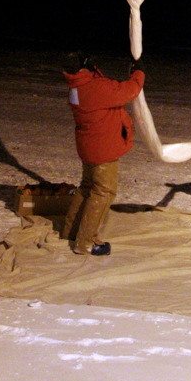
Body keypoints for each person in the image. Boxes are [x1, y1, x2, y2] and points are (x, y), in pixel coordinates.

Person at [61, 53, 145, 256]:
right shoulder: (93, 88)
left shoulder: (77, 87)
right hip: (102, 148)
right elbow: (128, 91)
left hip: (89, 145)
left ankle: (71, 232)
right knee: (103, 192)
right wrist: (139, 73)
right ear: (84, 68)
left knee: (87, 188)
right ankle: (85, 242)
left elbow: (104, 86)